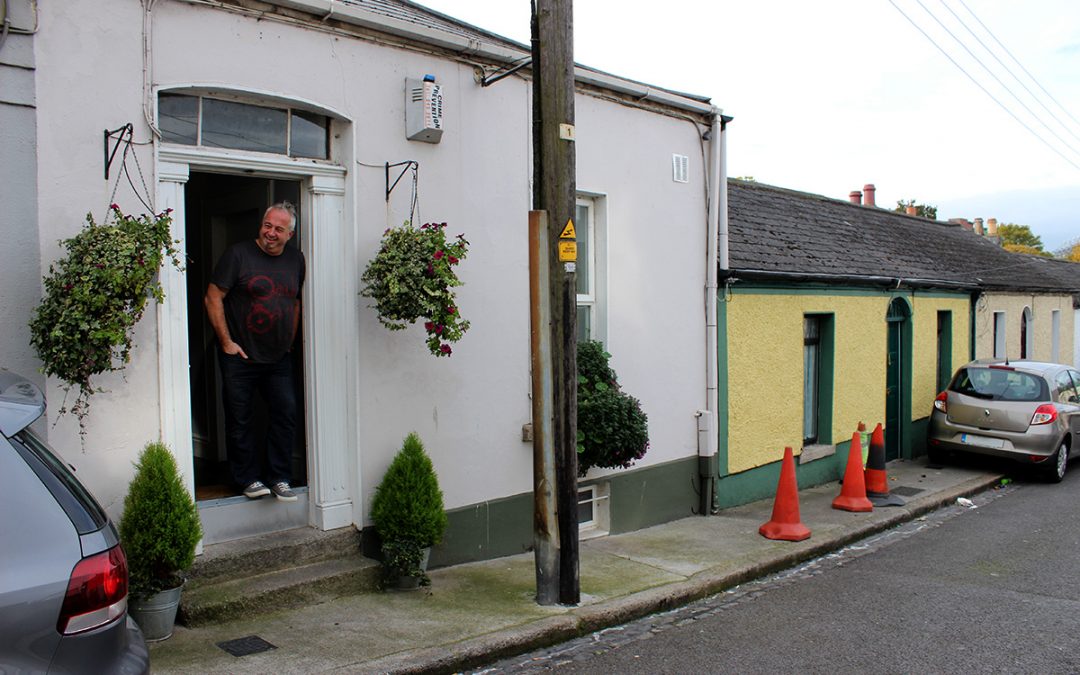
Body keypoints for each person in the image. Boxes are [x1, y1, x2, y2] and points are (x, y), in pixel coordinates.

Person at [204, 202, 305, 502]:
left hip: (278, 358)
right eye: (267, 225)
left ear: (290, 234)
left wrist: (290, 341)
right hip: (240, 357)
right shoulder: (238, 255)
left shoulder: (296, 259)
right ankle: (247, 479)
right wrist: (226, 342)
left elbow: (295, 301)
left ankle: (279, 478)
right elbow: (213, 297)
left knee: (285, 415)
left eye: (278, 229)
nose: (270, 233)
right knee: (240, 419)